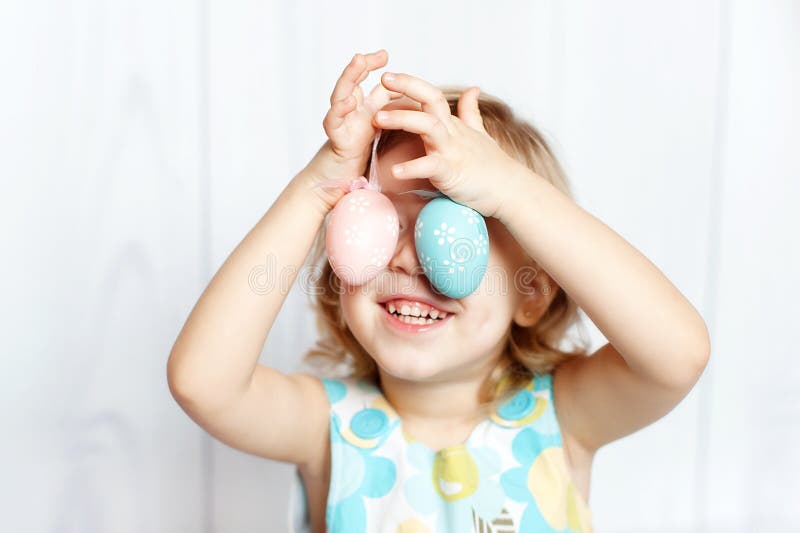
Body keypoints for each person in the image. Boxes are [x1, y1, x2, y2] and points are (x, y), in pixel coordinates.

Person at [167, 49, 711, 533]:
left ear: (533, 292)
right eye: (383, 222)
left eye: (456, 228)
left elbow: (678, 355)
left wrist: (511, 192)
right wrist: (319, 186)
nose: (407, 257)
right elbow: (202, 383)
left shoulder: (564, 417)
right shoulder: (327, 429)